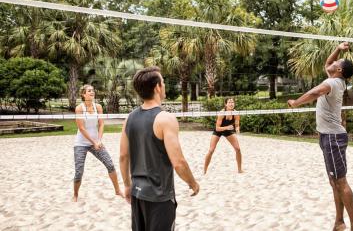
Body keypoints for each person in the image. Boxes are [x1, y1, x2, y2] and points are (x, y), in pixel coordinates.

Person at [288, 42, 353, 231]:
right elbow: (328, 62)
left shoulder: (331, 83)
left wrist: (296, 103)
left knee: (341, 181)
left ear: (338, 69)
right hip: (326, 136)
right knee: (334, 181)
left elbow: (315, 92)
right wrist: (338, 48)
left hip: (333, 138)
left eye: (337, 61)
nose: (331, 62)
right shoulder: (336, 79)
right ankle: (339, 222)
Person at [119, 66, 199, 231]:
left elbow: (123, 156)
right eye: (163, 82)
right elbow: (178, 163)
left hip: (137, 193)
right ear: (157, 87)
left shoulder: (129, 118)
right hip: (159, 197)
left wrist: (127, 185)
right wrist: (193, 183)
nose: (164, 85)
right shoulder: (165, 118)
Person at [72, 84, 122, 202]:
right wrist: (94, 141)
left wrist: (99, 140)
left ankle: (118, 191)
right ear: (83, 94)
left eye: (93, 90)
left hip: (96, 142)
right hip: (81, 143)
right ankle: (75, 195)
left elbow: (101, 124)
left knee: (110, 164)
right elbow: (82, 128)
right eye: (89, 91)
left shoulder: (98, 107)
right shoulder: (79, 108)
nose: (92, 92)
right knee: (79, 171)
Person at [203, 97, 243, 174]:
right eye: (229, 102)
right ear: (226, 104)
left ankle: (239, 169)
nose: (231, 104)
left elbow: (237, 125)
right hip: (219, 130)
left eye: (232, 102)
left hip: (228, 131)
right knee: (211, 150)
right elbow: (217, 128)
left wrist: (237, 129)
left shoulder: (236, 113)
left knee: (238, 149)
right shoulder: (222, 113)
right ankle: (204, 170)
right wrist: (227, 127)